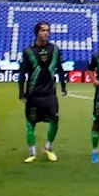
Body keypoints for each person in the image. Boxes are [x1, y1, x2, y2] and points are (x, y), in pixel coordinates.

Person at [18, 21, 67, 163]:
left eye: (48, 30)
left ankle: (48, 147)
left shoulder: (55, 49)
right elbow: (22, 73)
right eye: (43, 30)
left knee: (55, 119)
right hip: (33, 93)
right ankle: (31, 153)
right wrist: (21, 93)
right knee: (31, 123)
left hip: (50, 93)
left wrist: (63, 86)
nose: (46, 33)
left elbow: (60, 69)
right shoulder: (28, 51)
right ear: (37, 32)